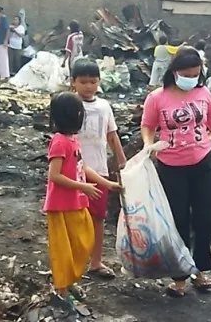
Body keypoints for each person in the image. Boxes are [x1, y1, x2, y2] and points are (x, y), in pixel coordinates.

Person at [140, 47, 211, 297]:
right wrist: (148, 145)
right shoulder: (157, 98)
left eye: (196, 74)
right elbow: (147, 126)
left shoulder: (203, 93)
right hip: (171, 167)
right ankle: (180, 276)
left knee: (204, 218)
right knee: (178, 220)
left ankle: (201, 270)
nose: (191, 78)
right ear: (174, 72)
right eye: (186, 74)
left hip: (203, 162)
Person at [45, 92, 122, 315]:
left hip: (75, 202)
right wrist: (83, 187)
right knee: (64, 249)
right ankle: (61, 289)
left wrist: (106, 183)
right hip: (61, 204)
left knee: (83, 240)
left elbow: (83, 168)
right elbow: (54, 176)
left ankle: (67, 282)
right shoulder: (59, 141)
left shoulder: (72, 140)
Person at [71, 59, 127, 279]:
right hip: (73, 173)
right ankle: (74, 261)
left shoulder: (104, 106)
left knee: (97, 218)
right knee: (75, 218)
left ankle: (95, 262)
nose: (88, 86)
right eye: (83, 82)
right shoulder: (69, 105)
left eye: (92, 82)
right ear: (73, 82)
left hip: (100, 170)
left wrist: (122, 160)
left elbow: (111, 135)